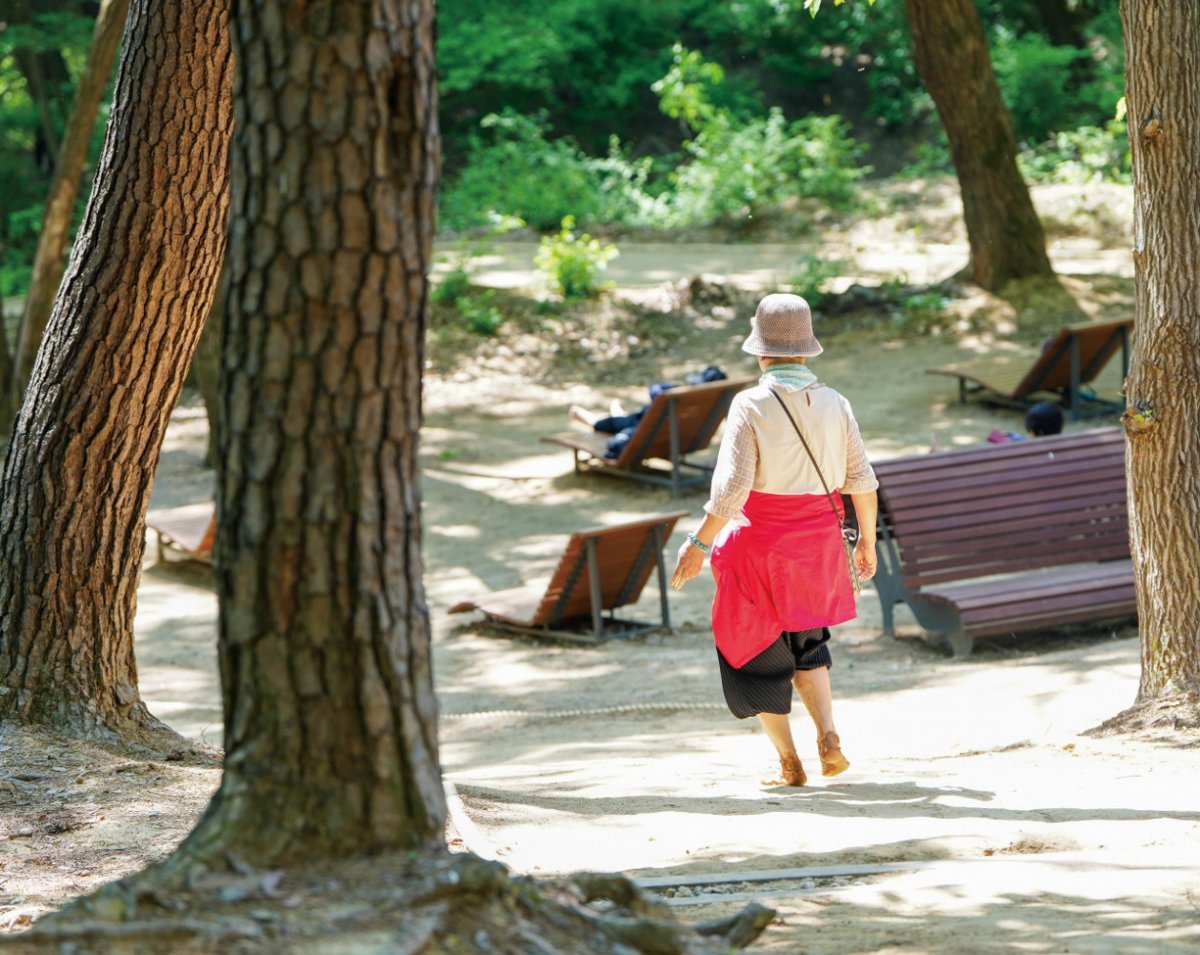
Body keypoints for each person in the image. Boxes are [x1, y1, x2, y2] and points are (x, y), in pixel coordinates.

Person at [670, 293, 878, 787]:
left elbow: (733, 489)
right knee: (809, 643)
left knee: (753, 651)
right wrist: (865, 541)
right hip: (819, 544)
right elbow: (862, 480)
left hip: (760, 549)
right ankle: (829, 737)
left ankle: (788, 761)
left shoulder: (750, 404)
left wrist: (697, 545)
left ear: (760, 351)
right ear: (805, 350)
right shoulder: (835, 402)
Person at [569, 366, 728, 459]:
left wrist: (676, 387)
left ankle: (609, 416)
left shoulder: (676, 395)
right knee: (621, 422)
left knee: (614, 424)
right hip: (670, 434)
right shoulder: (715, 402)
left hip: (645, 424)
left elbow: (656, 389)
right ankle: (616, 414)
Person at [986, 400, 1065, 444]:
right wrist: (1010, 434)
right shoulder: (1064, 445)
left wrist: (1004, 440)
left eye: (1031, 431)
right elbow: (1023, 440)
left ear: (1041, 432)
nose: (1030, 434)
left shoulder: (1027, 451)